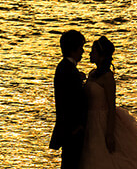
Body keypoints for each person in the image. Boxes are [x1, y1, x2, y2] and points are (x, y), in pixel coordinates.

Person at [80, 36, 137, 169]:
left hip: (102, 122)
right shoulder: (92, 73)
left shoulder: (108, 78)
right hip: (89, 121)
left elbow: (111, 105)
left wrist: (109, 133)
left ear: (102, 56)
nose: (90, 54)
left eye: (93, 51)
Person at [50, 29, 88, 169]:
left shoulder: (66, 68)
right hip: (72, 129)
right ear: (74, 49)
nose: (83, 52)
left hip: (69, 129)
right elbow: (69, 101)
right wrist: (76, 127)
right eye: (81, 48)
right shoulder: (67, 69)